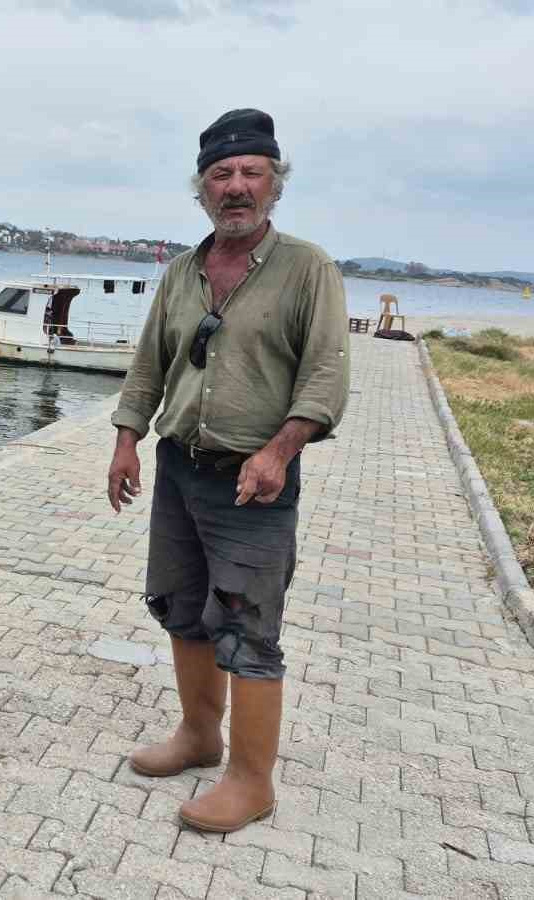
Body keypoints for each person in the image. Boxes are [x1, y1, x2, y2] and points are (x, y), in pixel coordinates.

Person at [105, 108, 350, 833]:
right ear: (202, 189)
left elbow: (326, 374)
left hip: (256, 481)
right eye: (222, 174)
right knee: (181, 607)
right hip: (180, 467)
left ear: (274, 183)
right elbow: (150, 365)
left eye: (251, 173)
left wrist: (280, 450)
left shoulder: (309, 270)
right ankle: (197, 736)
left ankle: (252, 782)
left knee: (246, 623)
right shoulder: (183, 271)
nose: (236, 187)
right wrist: (126, 440)